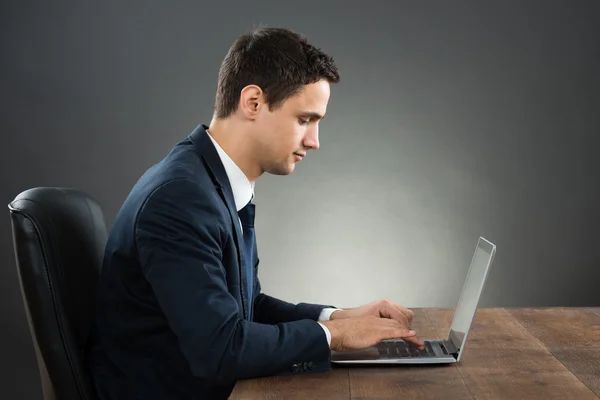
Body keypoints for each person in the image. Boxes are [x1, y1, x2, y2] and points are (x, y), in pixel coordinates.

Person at [85, 27, 425, 400]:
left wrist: (335, 317)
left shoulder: (210, 180)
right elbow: (221, 349)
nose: (314, 141)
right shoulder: (180, 198)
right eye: (304, 120)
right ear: (253, 102)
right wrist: (338, 337)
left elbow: (247, 308)